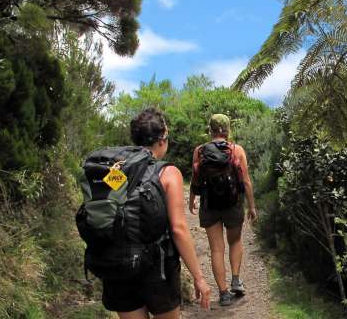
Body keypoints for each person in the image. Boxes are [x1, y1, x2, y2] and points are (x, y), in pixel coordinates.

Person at [103, 108, 212, 318]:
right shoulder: (168, 173)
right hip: (157, 269)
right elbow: (179, 229)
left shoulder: (115, 171)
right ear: (162, 139)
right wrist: (199, 277)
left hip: (118, 266)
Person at [190, 114, 257, 307]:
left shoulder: (199, 151)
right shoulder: (237, 150)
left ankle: (224, 293)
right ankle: (236, 279)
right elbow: (246, 181)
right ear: (227, 129)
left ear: (210, 129)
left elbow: (195, 178)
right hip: (233, 203)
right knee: (235, 241)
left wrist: (192, 199)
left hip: (209, 205)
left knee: (216, 249)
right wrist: (251, 206)